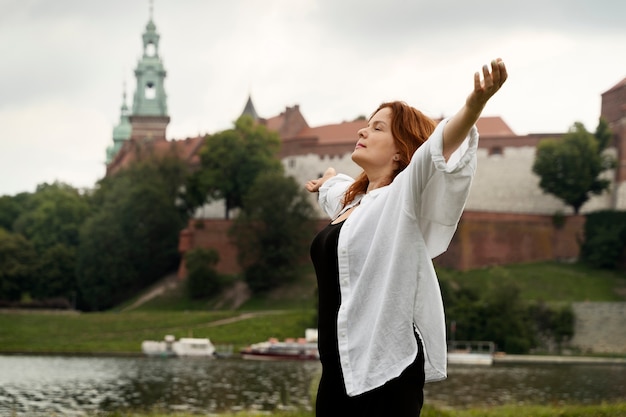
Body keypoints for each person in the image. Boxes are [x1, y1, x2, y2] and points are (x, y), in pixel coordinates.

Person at [305, 58, 508, 416]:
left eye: (377, 128)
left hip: (387, 370)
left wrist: (475, 105)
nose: (362, 132)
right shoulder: (355, 203)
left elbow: (436, 150)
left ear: (400, 150)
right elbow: (336, 190)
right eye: (365, 126)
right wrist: (328, 179)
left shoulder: (401, 198)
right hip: (339, 370)